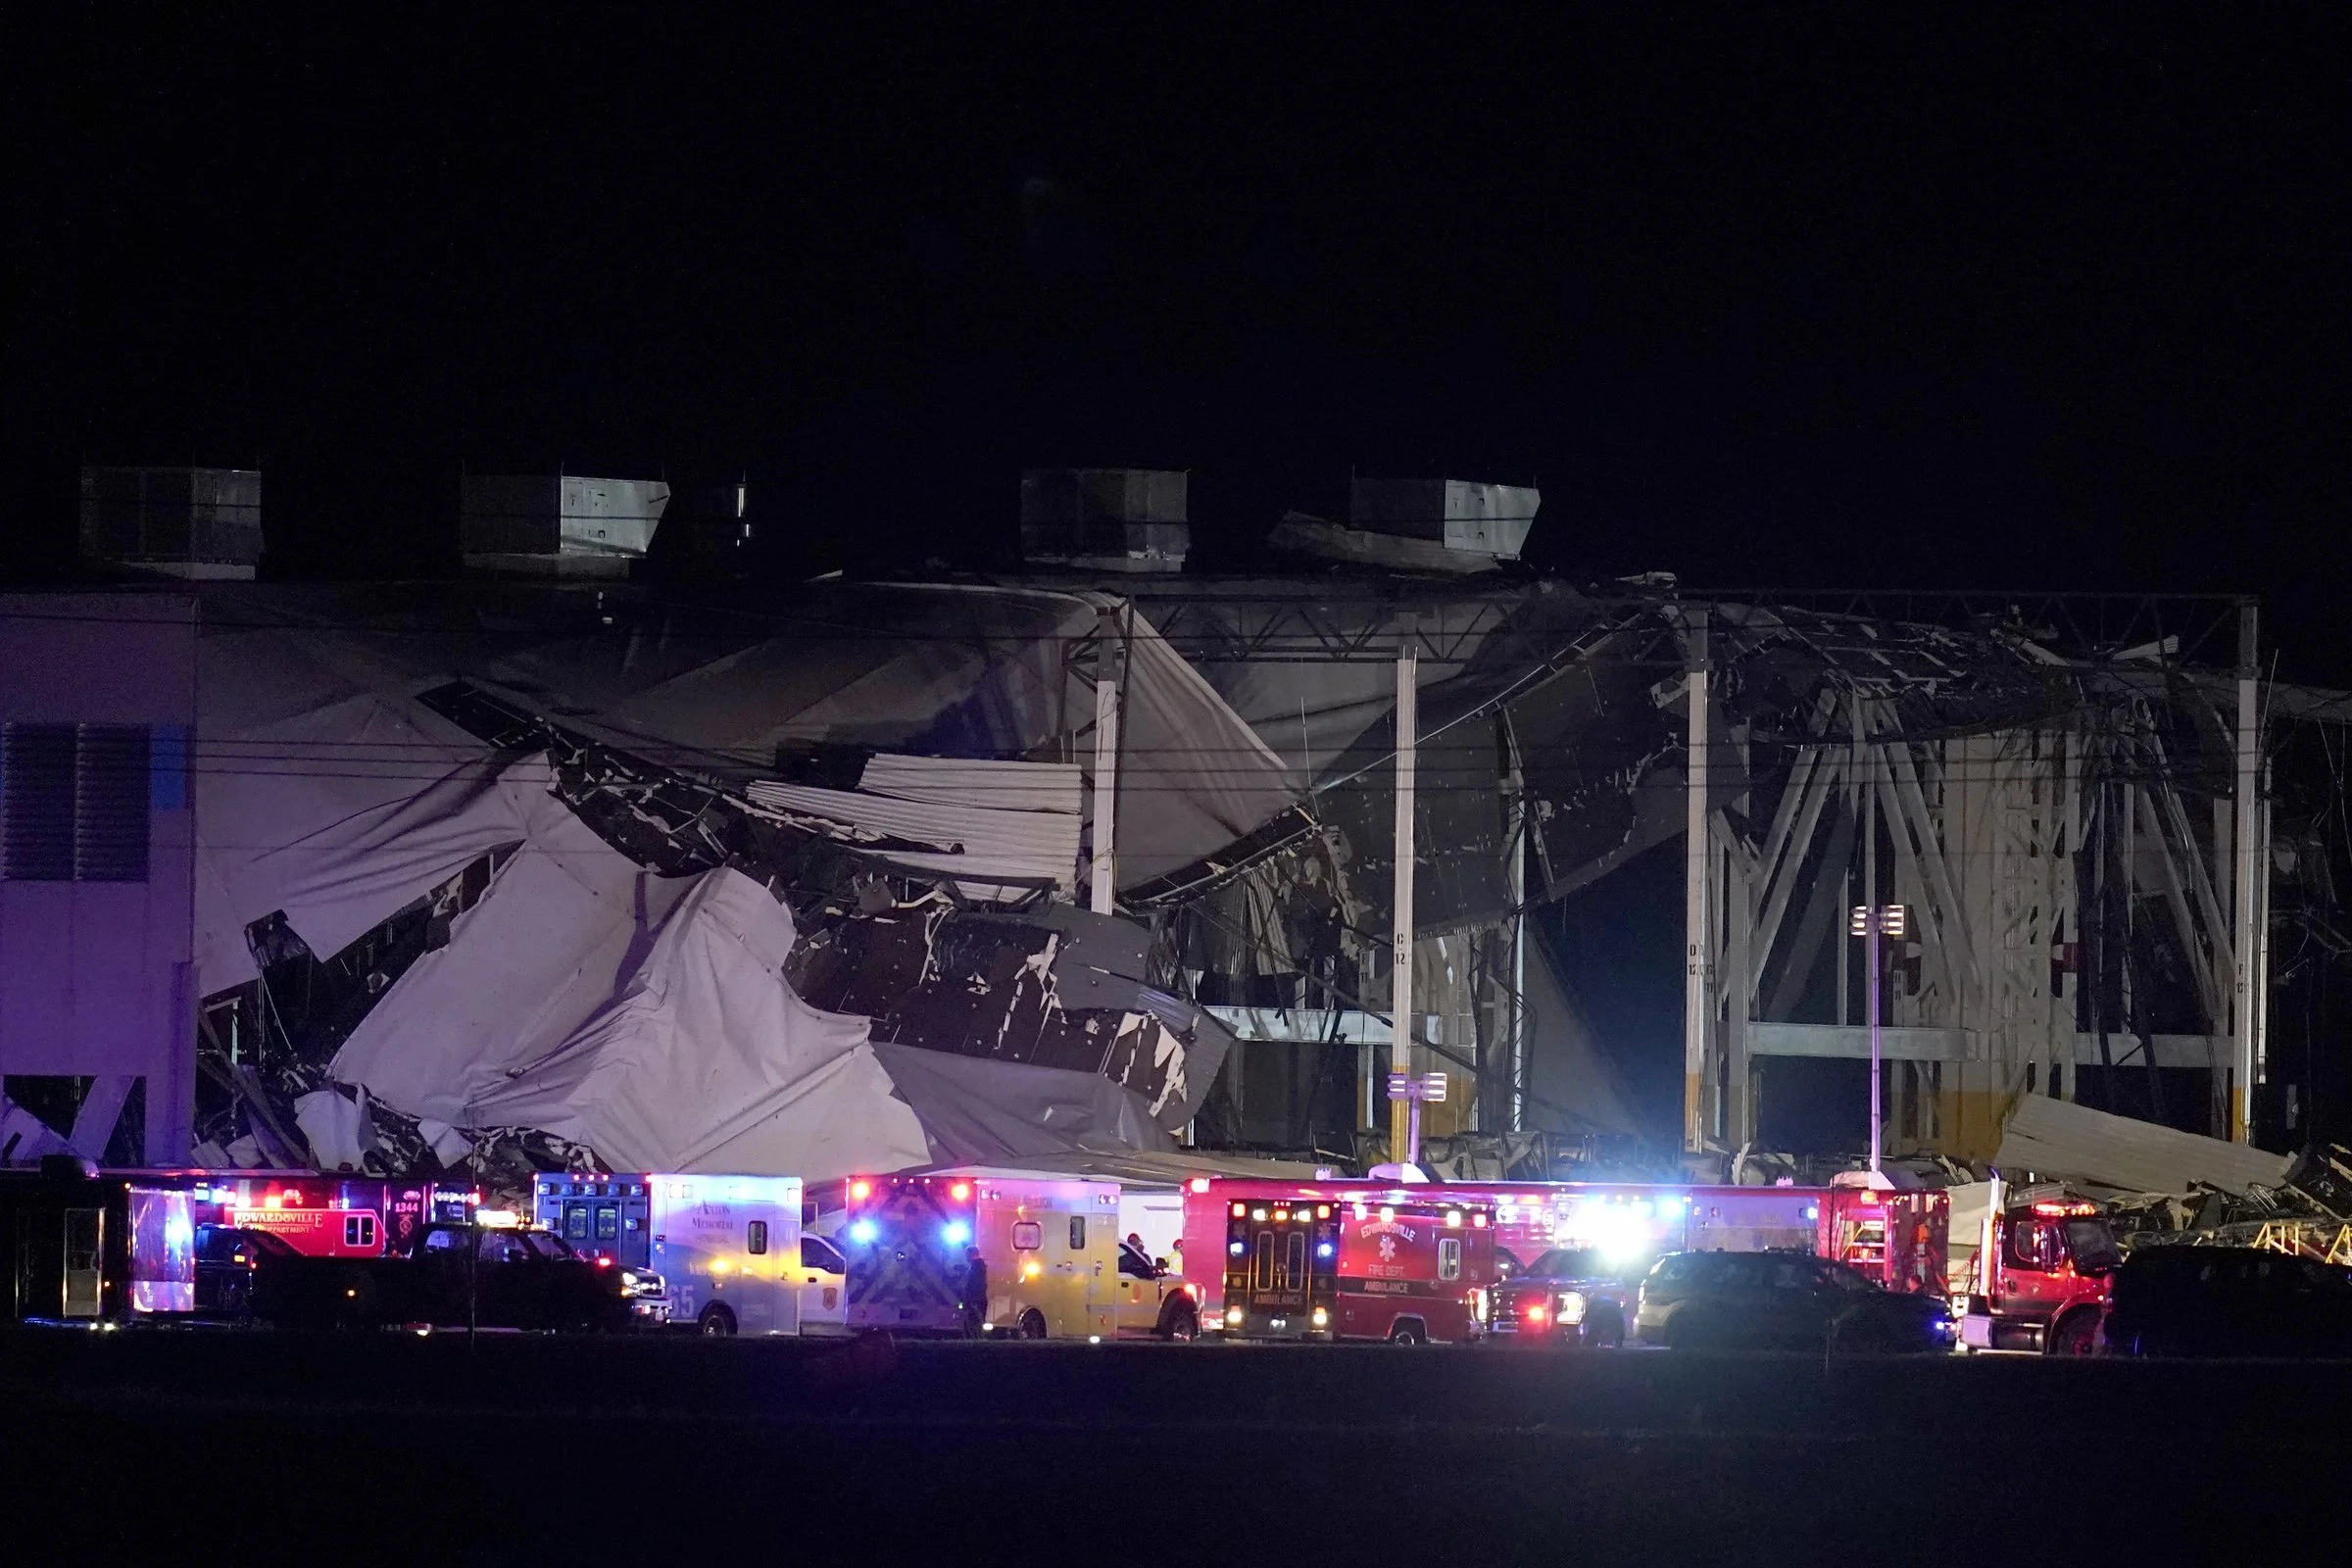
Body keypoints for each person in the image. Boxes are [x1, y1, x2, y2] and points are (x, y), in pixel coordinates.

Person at [960, 1246, 988, 1337]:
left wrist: (970, 1301)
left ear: (972, 1254)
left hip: (975, 1300)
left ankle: (977, 1342)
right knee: (975, 1324)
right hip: (977, 1300)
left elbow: (974, 1285)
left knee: (974, 1324)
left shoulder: (976, 1267)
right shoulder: (978, 1266)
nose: (966, 1256)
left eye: (967, 1254)